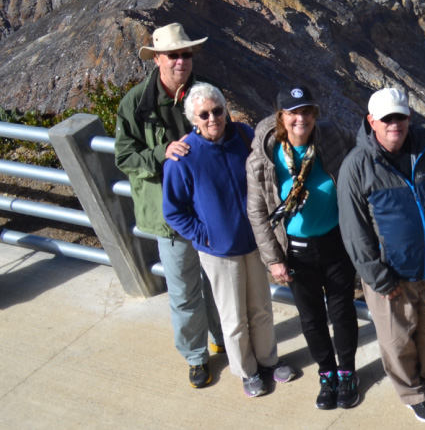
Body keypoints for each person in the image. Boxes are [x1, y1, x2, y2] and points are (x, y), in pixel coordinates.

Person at [114, 23, 226, 388]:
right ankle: (196, 357)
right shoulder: (136, 103)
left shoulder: (205, 92)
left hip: (209, 209)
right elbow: (125, 156)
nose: (181, 61)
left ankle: (223, 338)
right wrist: (162, 153)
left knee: (217, 281)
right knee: (183, 289)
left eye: (186, 54)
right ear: (157, 59)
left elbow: (222, 135)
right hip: (172, 216)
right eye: (174, 55)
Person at [162, 83, 291, 397]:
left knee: (261, 307)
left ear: (226, 110)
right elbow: (173, 211)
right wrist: (203, 235)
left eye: (217, 111)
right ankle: (247, 372)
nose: (212, 119)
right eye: (203, 114)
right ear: (194, 119)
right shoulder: (184, 158)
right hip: (218, 250)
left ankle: (269, 362)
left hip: (253, 243)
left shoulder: (244, 137)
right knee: (233, 316)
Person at [338, 87, 425, 422]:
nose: (394, 124)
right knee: (397, 340)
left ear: (409, 117)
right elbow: (354, 230)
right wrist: (377, 276)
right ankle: (413, 392)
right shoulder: (357, 166)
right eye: (387, 118)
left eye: (400, 116)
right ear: (371, 121)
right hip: (390, 275)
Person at [244, 85, 362, 410]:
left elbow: (364, 149)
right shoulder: (264, 157)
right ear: (281, 116)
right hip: (294, 250)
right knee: (311, 318)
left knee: (342, 311)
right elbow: (256, 211)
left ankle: (347, 371)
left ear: (315, 115)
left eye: (307, 111)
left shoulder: (332, 137)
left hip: (336, 242)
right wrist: (273, 260)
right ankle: (327, 374)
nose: (301, 119)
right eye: (294, 112)